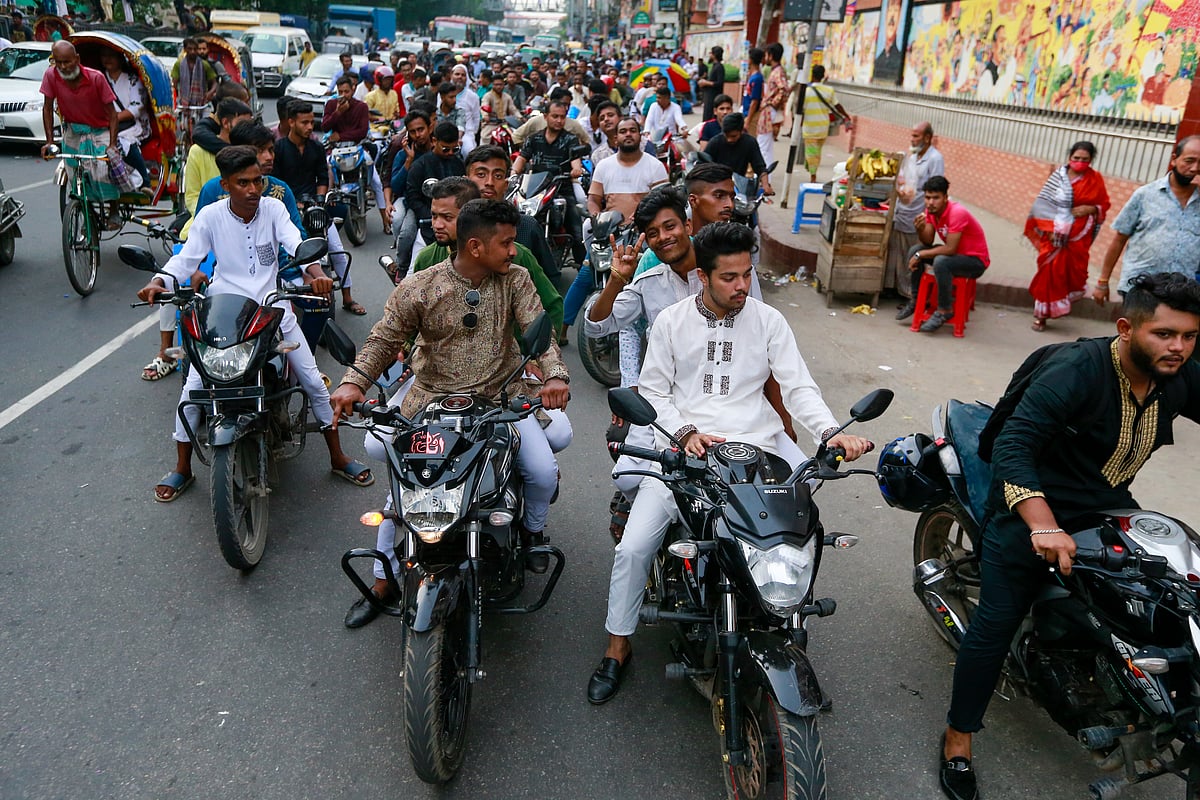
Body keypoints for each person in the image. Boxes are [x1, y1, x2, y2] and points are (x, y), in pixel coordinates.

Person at [936, 271, 1200, 800]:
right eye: (1165, 334)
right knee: (994, 625)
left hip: (1105, 501)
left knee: (1169, 599)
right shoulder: (1076, 371)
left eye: (1190, 336)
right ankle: (958, 738)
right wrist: (1044, 525)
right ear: (1127, 329)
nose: (1178, 347)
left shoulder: (1178, 372)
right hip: (1030, 505)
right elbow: (1014, 448)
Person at [584, 221, 872, 704]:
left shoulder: (768, 321)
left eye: (746, 274)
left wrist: (830, 432)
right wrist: (685, 433)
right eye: (729, 277)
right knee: (635, 547)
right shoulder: (672, 321)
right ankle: (618, 647)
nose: (742, 286)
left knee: (797, 531)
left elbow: (798, 386)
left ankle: (782, 623)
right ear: (703, 277)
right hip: (683, 452)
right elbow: (653, 391)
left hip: (758, 447)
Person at [331, 199, 572, 622]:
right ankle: (383, 579)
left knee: (541, 470)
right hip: (429, 401)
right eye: (507, 243)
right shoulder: (420, 285)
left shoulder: (516, 280)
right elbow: (384, 339)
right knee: (405, 491)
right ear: (476, 246)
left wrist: (554, 375)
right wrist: (353, 382)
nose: (514, 251)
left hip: (500, 399)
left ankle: (532, 533)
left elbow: (541, 333)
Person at [136, 146, 374, 503]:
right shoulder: (211, 216)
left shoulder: (274, 209)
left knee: (312, 380)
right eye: (242, 182)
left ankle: (338, 457)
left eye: (257, 181)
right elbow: (186, 260)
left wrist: (317, 273)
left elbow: (297, 245)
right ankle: (183, 468)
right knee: (192, 389)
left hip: (271, 308)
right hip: (222, 314)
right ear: (226, 184)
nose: (252, 189)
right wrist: (159, 282)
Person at [411, 177, 562, 332]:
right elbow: (413, 315)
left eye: (447, 217)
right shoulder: (427, 259)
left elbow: (551, 307)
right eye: (434, 216)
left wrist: (535, 352)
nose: (436, 225)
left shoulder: (518, 258)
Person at [1092, 135, 1200, 307]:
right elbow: (1119, 239)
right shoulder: (1145, 195)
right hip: (1140, 287)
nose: (1195, 168)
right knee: (1135, 333)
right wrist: (1103, 281)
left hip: (1182, 292)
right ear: (1174, 159)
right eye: (1189, 160)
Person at [1025, 141, 1111, 331]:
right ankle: (1041, 316)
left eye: (1085, 159)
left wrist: (1091, 209)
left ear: (1091, 161)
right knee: (1048, 272)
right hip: (1053, 235)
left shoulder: (1095, 179)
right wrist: (1053, 227)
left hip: (1079, 236)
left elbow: (1104, 204)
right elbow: (1042, 204)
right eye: (1076, 158)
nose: (1080, 162)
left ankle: (1058, 307)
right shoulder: (1058, 177)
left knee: (1070, 273)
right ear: (1069, 158)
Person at [896, 176, 990, 333]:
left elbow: (950, 249)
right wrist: (919, 229)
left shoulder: (957, 213)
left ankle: (945, 310)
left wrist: (921, 255)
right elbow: (928, 240)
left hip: (976, 261)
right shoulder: (931, 212)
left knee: (940, 261)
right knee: (915, 250)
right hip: (955, 256)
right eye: (927, 197)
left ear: (945, 198)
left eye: (936, 198)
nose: (930, 202)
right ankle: (917, 299)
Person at [464, 145, 560, 290]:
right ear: (466, 181)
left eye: (498, 176)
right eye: (481, 174)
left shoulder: (527, 227)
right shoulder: (454, 227)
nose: (489, 182)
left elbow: (550, 281)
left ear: (506, 184)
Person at [513, 100, 586, 268]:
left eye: (562, 117)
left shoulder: (570, 140)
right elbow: (521, 159)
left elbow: (576, 162)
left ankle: (583, 268)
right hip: (535, 190)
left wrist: (576, 170)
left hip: (562, 188)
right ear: (545, 117)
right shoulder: (534, 138)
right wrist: (513, 174)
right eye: (555, 116)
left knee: (576, 229)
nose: (559, 120)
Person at [181, 98, 253, 238]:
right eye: (242, 124)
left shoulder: (252, 152)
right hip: (207, 225)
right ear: (226, 123)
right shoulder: (197, 152)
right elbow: (192, 197)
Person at [890, 122, 945, 298]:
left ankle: (912, 296)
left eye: (916, 136)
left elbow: (936, 190)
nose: (912, 140)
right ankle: (900, 291)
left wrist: (927, 217)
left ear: (927, 138)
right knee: (900, 254)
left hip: (919, 216)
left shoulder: (935, 159)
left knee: (913, 256)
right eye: (912, 136)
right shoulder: (912, 156)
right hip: (903, 211)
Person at [39, 40, 118, 162]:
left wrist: (112, 145)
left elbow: (113, 115)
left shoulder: (96, 78)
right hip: (72, 132)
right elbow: (47, 108)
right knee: (72, 174)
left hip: (99, 131)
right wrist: (50, 142)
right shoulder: (51, 75)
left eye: (67, 62)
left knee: (103, 174)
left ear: (77, 59)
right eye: (58, 62)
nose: (63, 67)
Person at [405, 121, 466, 248]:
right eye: (445, 149)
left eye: (454, 149)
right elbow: (413, 197)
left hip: (454, 220)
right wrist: (433, 216)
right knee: (406, 234)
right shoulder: (420, 166)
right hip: (425, 218)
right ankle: (401, 266)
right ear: (434, 141)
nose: (450, 153)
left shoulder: (459, 164)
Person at [99, 45, 151, 188]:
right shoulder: (99, 79)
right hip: (105, 124)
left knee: (124, 143)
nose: (107, 59)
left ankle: (144, 180)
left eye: (111, 55)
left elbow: (137, 108)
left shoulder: (133, 80)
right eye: (104, 55)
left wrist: (113, 119)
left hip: (132, 124)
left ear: (120, 59)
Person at [703, 112, 774, 196]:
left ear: (741, 131)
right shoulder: (715, 142)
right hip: (715, 187)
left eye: (733, 136)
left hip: (740, 189)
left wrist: (766, 186)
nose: (729, 139)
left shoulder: (750, 143)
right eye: (727, 135)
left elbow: (760, 167)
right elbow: (703, 164)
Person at [800, 65, 850, 184]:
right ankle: (811, 167)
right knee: (816, 152)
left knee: (812, 153)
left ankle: (813, 175)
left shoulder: (806, 91)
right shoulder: (829, 90)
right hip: (823, 127)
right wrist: (846, 115)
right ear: (823, 76)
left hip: (809, 127)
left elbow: (800, 110)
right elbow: (837, 106)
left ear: (812, 75)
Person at [273, 101, 327, 199]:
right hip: (286, 203)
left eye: (312, 122)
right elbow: (276, 183)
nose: (310, 127)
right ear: (291, 122)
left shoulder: (317, 147)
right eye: (304, 123)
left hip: (312, 203)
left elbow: (322, 179)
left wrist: (320, 201)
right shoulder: (278, 149)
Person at [759, 43, 789, 160]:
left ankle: (762, 175)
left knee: (763, 144)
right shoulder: (776, 71)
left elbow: (784, 88)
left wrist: (773, 103)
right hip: (769, 109)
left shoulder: (777, 72)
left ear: (770, 56)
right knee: (766, 145)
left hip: (769, 109)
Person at [171, 37, 217, 109]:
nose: (192, 51)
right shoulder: (178, 64)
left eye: (195, 49)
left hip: (202, 104)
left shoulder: (204, 64)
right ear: (185, 49)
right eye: (190, 49)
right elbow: (174, 83)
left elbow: (214, 82)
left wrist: (210, 93)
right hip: (182, 104)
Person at [323, 76, 369, 143]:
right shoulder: (331, 104)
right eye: (340, 92)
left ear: (352, 90)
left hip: (356, 145)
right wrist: (338, 112)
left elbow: (363, 132)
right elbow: (325, 127)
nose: (343, 95)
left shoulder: (362, 106)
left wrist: (340, 136)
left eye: (346, 92)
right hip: (336, 145)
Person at [451, 63, 480, 154]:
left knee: (468, 151)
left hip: (467, 132)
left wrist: (473, 132)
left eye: (463, 75)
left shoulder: (473, 96)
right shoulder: (443, 93)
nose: (460, 77)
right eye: (457, 74)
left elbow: (476, 117)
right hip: (448, 130)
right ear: (452, 75)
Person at [697, 45, 725, 122]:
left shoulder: (719, 67)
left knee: (711, 118)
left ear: (714, 55)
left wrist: (706, 82)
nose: (709, 55)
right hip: (709, 96)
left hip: (714, 97)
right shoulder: (714, 66)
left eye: (711, 53)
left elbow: (719, 83)